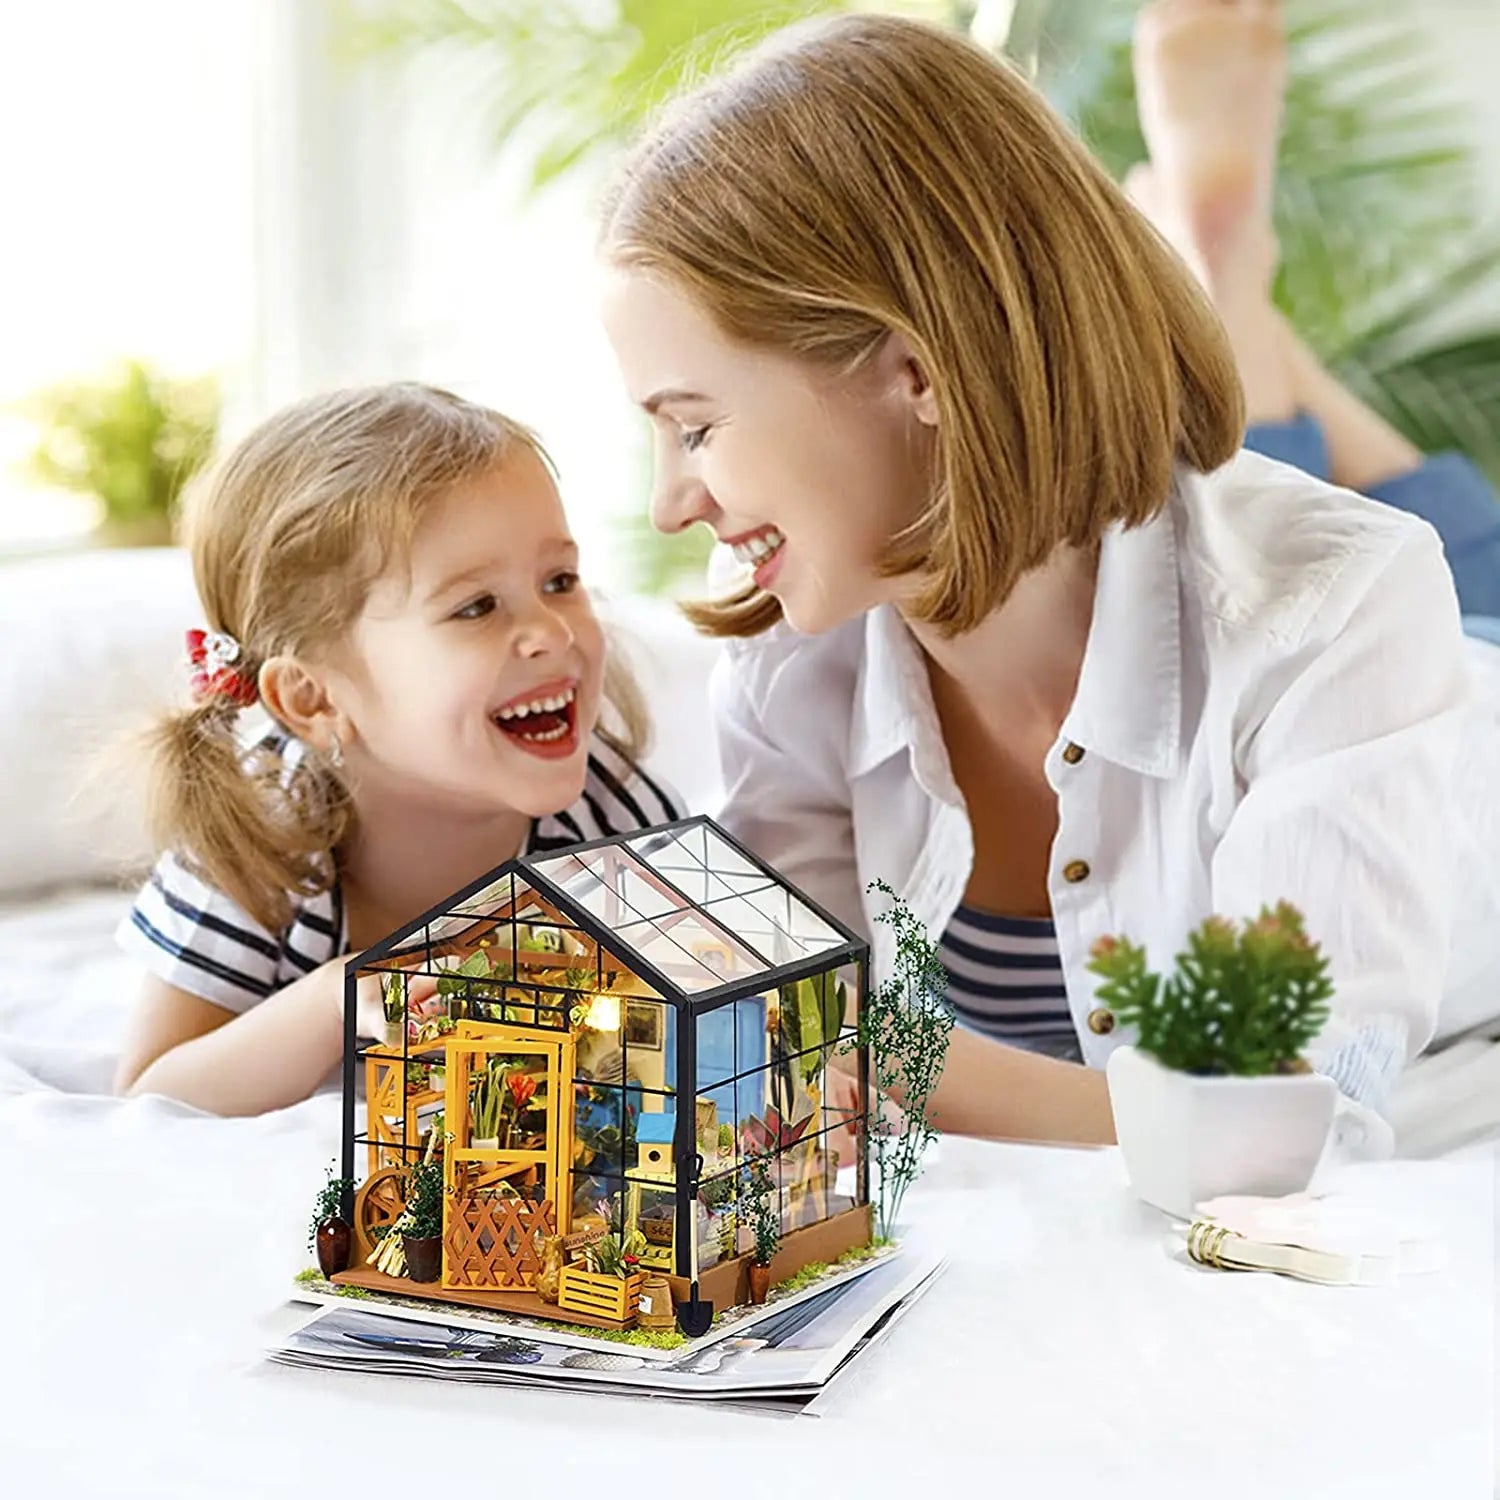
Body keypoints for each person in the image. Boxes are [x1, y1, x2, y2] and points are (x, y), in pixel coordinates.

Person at [598, 6, 1500, 1150]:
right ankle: (1234, 292)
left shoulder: (1342, 618)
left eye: (696, 427)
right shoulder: (796, 651)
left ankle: (1232, 276)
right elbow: (770, 1013)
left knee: (1343, 543)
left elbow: (1292, 1129)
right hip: (1181, 563)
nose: (669, 506)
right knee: (1230, 492)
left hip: (1463, 685)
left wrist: (878, 1063)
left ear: (918, 371)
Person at [113, 384, 680, 1115]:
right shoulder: (256, 837)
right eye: (476, 606)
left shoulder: (614, 817)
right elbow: (149, 1094)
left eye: (559, 581)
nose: (554, 632)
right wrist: (334, 1002)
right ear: (314, 700)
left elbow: (694, 1010)